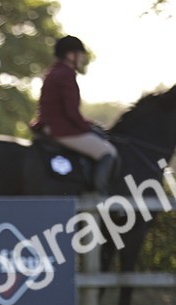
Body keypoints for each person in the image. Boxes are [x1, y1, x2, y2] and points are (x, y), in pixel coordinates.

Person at [31, 36, 118, 195]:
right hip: (61, 129)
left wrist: (88, 124)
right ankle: (99, 195)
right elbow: (71, 112)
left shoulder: (53, 71)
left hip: (50, 126)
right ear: (70, 55)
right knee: (108, 152)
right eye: (80, 54)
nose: (82, 58)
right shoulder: (66, 74)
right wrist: (87, 127)